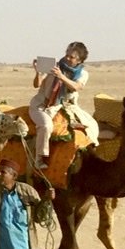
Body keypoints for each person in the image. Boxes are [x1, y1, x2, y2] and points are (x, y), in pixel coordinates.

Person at [30, 41, 99, 170]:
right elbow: (36, 84)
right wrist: (38, 73)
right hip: (43, 106)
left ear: (79, 61)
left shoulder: (83, 74)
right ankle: (39, 158)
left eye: (71, 57)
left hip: (65, 106)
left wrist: (61, 77)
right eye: (67, 55)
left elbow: (76, 87)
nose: (67, 58)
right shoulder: (53, 67)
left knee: (91, 126)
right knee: (46, 126)